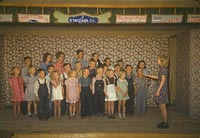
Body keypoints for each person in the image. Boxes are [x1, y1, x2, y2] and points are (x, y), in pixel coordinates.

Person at [143, 56, 169, 129]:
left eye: (158, 59)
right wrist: (147, 75)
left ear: (162, 61)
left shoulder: (163, 69)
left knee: (163, 107)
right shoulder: (162, 69)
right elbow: (158, 77)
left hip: (162, 90)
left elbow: (163, 80)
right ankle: (163, 121)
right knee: (161, 106)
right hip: (161, 89)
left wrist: (158, 90)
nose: (157, 60)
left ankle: (165, 123)